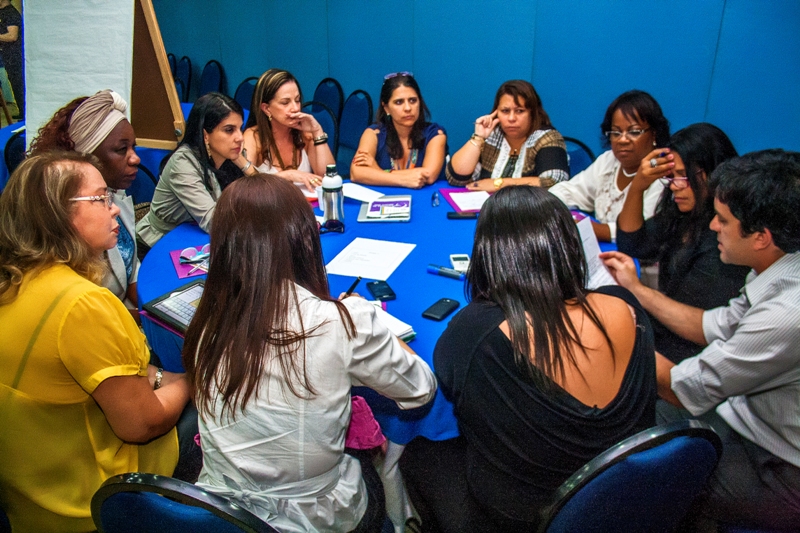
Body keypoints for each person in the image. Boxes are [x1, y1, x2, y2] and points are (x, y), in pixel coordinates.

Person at [182, 174, 437, 533]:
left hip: (220, 513)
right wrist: (371, 321)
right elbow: (420, 389)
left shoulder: (208, 321)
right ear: (304, 240)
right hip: (312, 517)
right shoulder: (342, 323)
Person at [399, 186, 656, 532]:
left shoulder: (476, 331)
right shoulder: (624, 304)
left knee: (417, 452)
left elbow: (432, 379)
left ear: (488, 255)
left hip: (526, 516)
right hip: (627, 491)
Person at [602, 149, 800, 530]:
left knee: (652, 477)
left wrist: (613, 329)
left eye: (723, 220)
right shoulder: (778, 267)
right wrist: (637, 292)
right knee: (635, 419)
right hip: (746, 419)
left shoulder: (786, 314)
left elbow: (683, 387)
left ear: (762, 237)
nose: (712, 226)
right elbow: (712, 325)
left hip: (779, 465)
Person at [0, 152, 193, 533]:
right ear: (58, 213)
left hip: (27, 494)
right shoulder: (83, 303)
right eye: (101, 198)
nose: (115, 209)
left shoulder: (17, 279)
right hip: (90, 502)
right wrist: (192, 379)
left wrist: (159, 378)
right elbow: (142, 425)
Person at [613, 123, 750, 363]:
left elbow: (701, 326)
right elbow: (632, 244)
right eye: (670, 176)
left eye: (683, 176)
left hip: (691, 354)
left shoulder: (727, 236)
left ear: (714, 172)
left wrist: (637, 290)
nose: (675, 185)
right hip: (666, 333)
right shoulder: (682, 214)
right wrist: (637, 187)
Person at [29, 90, 142, 312]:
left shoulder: (115, 194)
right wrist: (145, 320)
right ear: (85, 156)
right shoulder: (69, 223)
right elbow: (87, 309)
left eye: (133, 147)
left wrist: (152, 308)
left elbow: (129, 266)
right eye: (121, 149)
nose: (135, 158)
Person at [136, 92, 255, 254]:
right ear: (205, 135)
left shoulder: (230, 155)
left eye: (240, 129)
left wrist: (243, 163)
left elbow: (262, 194)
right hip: (160, 245)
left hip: (201, 240)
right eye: (229, 130)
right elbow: (212, 221)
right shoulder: (183, 162)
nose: (240, 138)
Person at [549, 90, 669, 242]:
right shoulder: (608, 160)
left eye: (634, 132)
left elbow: (644, 232)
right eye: (616, 133)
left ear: (654, 134)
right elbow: (569, 192)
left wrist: (591, 229)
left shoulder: (664, 174)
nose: (622, 140)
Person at [446, 80, 568, 192]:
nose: (511, 118)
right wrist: (478, 137)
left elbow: (555, 182)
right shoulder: (492, 136)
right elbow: (456, 179)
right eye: (505, 111)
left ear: (532, 113)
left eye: (520, 111)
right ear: (496, 112)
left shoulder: (547, 138)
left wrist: (498, 184)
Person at [242, 68, 335, 191]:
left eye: (297, 100)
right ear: (266, 109)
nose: (295, 108)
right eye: (285, 103)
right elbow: (245, 187)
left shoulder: (305, 134)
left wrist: (317, 131)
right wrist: (288, 175)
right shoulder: (253, 137)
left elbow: (328, 178)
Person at [351, 72, 447, 188]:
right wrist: (404, 179)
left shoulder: (435, 134)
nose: (408, 108)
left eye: (413, 100)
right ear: (386, 108)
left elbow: (429, 175)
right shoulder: (373, 134)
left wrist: (377, 171)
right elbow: (356, 173)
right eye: (399, 102)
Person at [0, 0, 22, 118]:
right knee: (14, 82)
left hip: (15, 56)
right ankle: (22, 111)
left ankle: (24, 112)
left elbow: (12, 36)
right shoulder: (3, 12)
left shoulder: (10, 13)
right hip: (8, 55)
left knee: (18, 83)